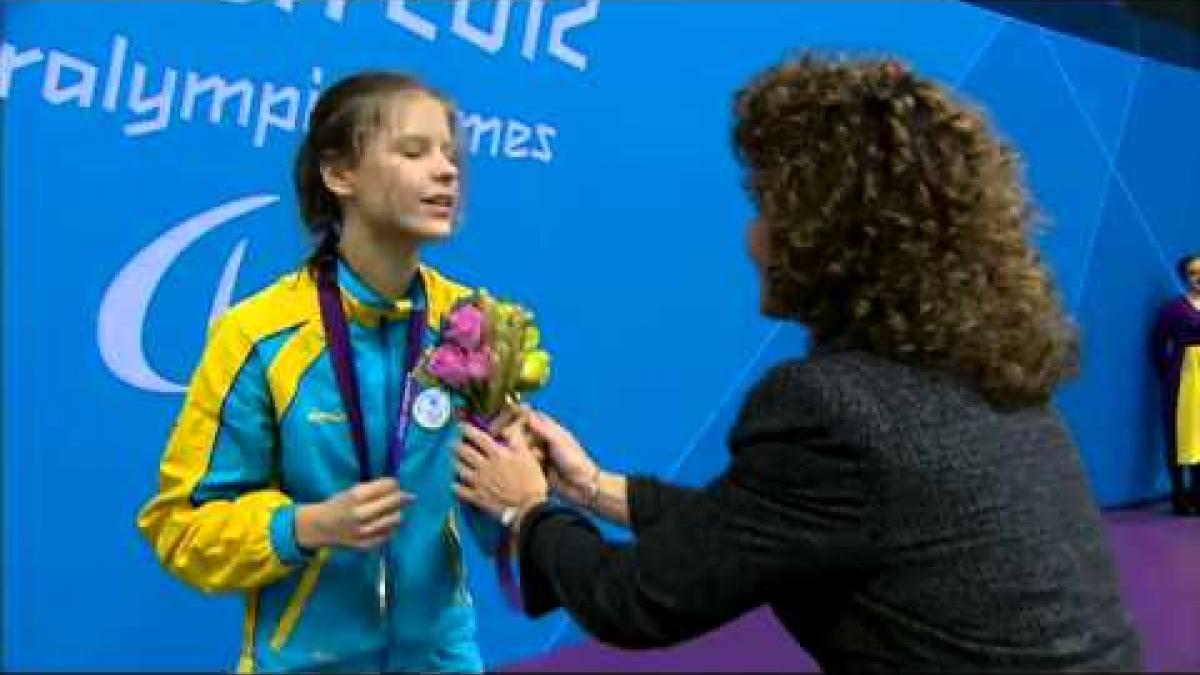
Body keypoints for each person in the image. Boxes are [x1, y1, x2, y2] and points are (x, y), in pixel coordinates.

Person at [452, 54, 1143, 672]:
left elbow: (636, 600)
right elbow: (762, 525)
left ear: (829, 234)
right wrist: (596, 487)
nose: (753, 234)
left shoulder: (833, 407)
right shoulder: (988, 382)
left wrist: (526, 509)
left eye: (766, 206)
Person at [137, 71, 508, 673]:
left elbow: (496, 525)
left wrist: (515, 492)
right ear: (339, 175)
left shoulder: (471, 325)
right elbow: (180, 526)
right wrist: (304, 527)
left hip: (444, 660)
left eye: (450, 154)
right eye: (414, 152)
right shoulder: (259, 336)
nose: (447, 171)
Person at [1151, 253, 1200, 516]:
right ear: (1184, 277)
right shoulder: (1172, 309)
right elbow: (1157, 346)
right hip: (1183, 381)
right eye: (1194, 272)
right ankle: (1180, 497)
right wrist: (1171, 375)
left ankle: (1198, 493)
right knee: (1179, 439)